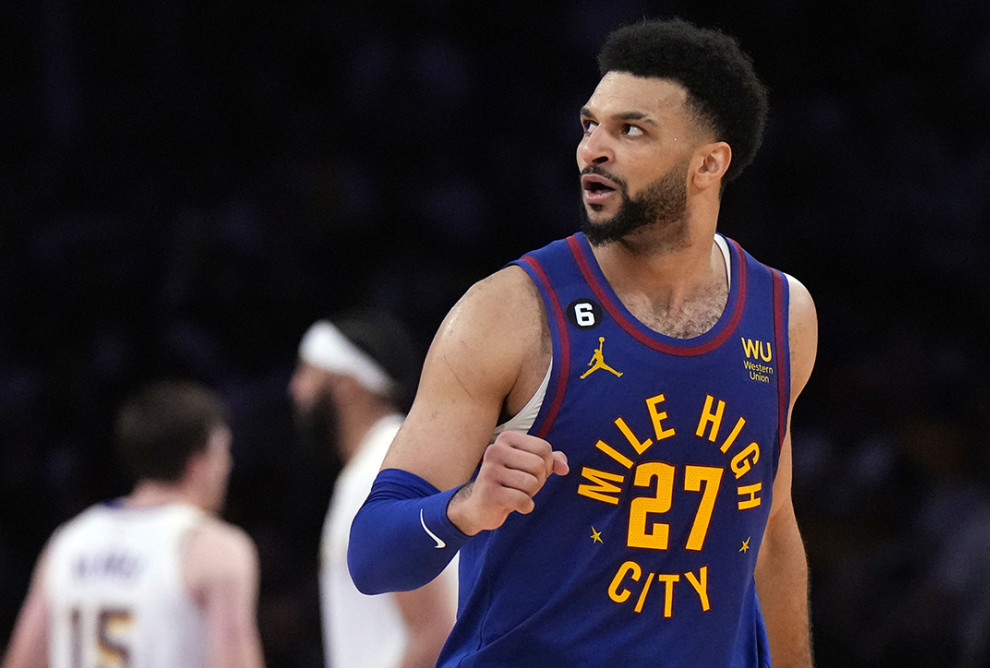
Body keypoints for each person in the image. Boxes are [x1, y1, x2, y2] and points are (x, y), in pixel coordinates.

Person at [348, 18, 818, 667]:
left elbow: (770, 532)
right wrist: (464, 507)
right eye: (590, 125)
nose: (593, 149)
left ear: (709, 163)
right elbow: (371, 555)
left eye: (631, 130)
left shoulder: (782, 314)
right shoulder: (508, 312)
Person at [1, 381, 264, 668]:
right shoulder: (212, 548)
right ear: (198, 462)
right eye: (224, 451)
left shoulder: (67, 541)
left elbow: (22, 662)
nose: (228, 465)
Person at [289, 312, 457, 668]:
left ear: (349, 385)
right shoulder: (379, 464)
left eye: (307, 372)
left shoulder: (382, 475)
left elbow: (434, 632)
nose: (295, 389)